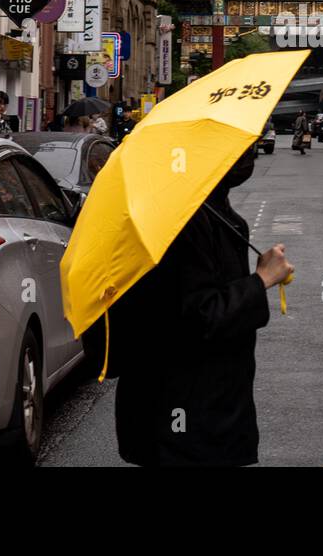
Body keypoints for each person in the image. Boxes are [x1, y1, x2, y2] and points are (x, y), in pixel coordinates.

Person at [113, 149, 294, 465]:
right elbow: (198, 317)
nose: (249, 155)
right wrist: (261, 280)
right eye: (239, 148)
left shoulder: (213, 211)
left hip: (204, 409)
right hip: (184, 415)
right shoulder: (182, 222)